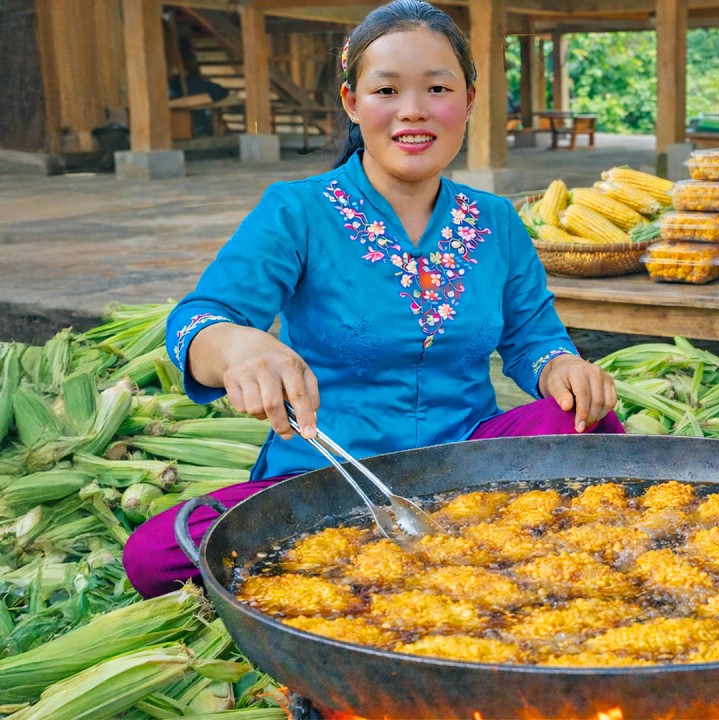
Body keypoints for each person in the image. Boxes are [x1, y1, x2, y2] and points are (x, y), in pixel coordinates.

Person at [123, 0, 622, 598]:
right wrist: (239, 348)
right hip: (327, 481)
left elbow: (535, 340)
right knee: (157, 554)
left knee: (585, 419)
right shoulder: (297, 211)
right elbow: (199, 319)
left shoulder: (496, 221)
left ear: (468, 100)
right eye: (386, 90)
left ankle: (381, 571)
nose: (413, 110)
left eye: (437, 88)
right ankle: (441, 559)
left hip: (469, 468)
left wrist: (561, 368)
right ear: (352, 102)